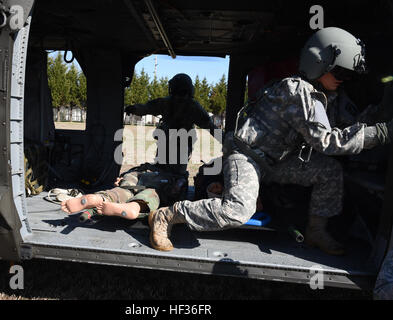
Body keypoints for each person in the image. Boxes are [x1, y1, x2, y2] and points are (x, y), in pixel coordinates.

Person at [148, 27, 393, 255]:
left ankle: (315, 231)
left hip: (275, 163)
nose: (343, 79)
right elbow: (328, 142)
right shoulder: (297, 91)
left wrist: (380, 113)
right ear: (319, 63)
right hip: (247, 156)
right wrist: (382, 132)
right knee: (237, 211)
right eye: (339, 71)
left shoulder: (324, 97)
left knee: (329, 171)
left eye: (347, 75)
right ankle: (169, 215)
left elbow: (349, 124)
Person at [61, 73, 219, 219]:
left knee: (148, 172)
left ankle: (107, 196)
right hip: (178, 158)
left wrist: (132, 108)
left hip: (163, 154)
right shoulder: (194, 107)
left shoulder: (165, 102)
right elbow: (211, 128)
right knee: (172, 182)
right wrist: (227, 142)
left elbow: (145, 108)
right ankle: (135, 204)